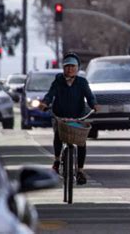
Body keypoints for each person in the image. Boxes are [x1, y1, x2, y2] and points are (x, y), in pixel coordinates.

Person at [39, 52, 98, 185]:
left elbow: (90, 96)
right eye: (67, 66)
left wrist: (94, 104)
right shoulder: (58, 80)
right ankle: (56, 160)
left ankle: (80, 170)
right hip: (60, 116)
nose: (70, 69)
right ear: (63, 68)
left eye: (73, 66)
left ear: (77, 68)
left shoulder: (82, 82)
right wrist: (45, 103)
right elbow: (50, 95)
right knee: (58, 134)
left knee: (81, 142)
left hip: (78, 117)